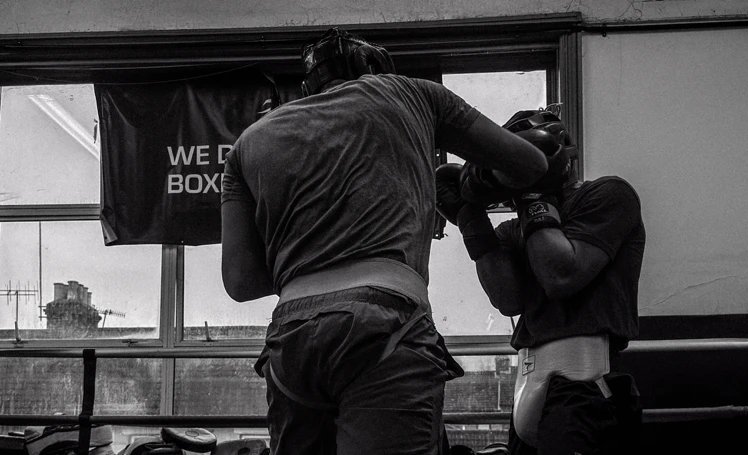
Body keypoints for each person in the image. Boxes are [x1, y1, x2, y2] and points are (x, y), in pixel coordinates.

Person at [219, 27, 551, 455]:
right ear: (376, 70)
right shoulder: (413, 93)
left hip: (292, 338)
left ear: (306, 89)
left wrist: (309, 255)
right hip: (383, 321)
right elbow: (532, 164)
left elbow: (241, 282)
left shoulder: (249, 142)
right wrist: (470, 187)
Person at [436, 107, 646, 454]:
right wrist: (469, 216)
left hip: (587, 383)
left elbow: (561, 275)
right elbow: (507, 299)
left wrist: (534, 193)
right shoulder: (513, 230)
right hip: (529, 382)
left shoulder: (608, 195)